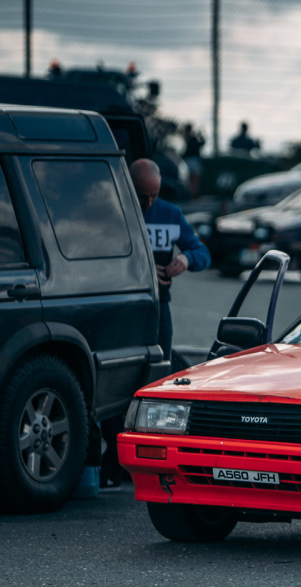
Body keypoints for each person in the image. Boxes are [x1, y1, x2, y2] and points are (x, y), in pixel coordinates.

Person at [101, 159, 211, 491]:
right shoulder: (113, 211)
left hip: (159, 307)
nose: (148, 203)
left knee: (159, 378)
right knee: (115, 379)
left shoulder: (170, 214)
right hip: (122, 309)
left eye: (153, 196)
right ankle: (112, 454)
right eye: (141, 196)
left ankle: (153, 457)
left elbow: (201, 252)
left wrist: (184, 260)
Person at [180, 123, 205, 198]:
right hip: (191, 160)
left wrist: (199, 134)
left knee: (193, 179)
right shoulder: (190, 137)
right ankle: (191, 194)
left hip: (191, 160)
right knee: (191, 179)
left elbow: (202, 143)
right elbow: (202, 142)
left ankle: (193, 195)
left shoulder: (192, 137)